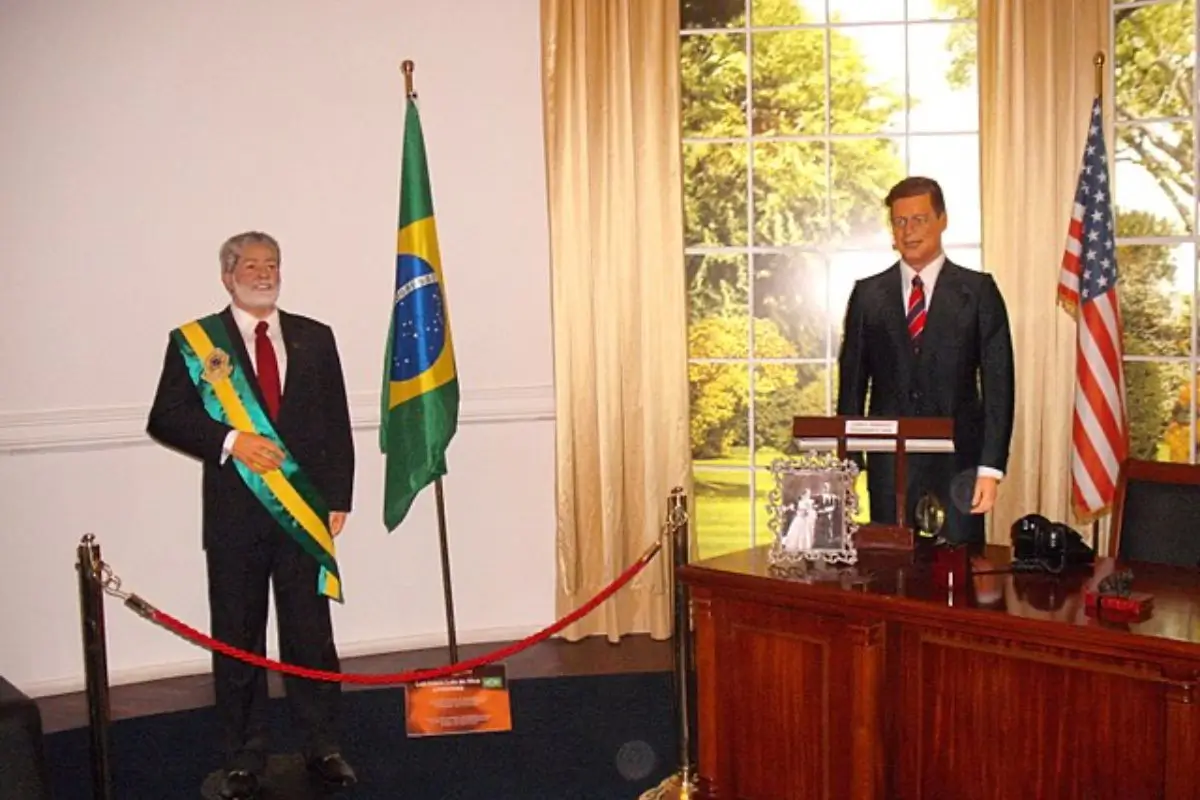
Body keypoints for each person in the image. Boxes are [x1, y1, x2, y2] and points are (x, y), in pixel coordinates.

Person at [146, 232, 356, 799]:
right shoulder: (195, 342)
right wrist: (232, 438)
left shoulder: (315, 337)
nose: (264, 273)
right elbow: (165, 417)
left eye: (272, 264)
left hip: (303, 511)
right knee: (239, 634)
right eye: (251, 264)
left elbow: (335, 420)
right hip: (236, 516)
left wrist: (339, 496)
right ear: (227, 275)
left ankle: (323, 744)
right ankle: (243, 754)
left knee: (310, 634)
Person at [836, 177, 1015, 545]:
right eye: (900, 222)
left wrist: (990, 468)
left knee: (958, 578)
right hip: (890, 470)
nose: (909, 230)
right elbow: (852, 387)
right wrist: (848, 467)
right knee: (890, 575)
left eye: (919, 219)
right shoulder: (867, 296)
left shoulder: (979, 292)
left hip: (959, 467)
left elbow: (999, 387)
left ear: (942, 220)